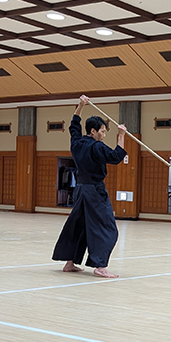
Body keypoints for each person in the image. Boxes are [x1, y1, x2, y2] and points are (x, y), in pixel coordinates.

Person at [52, 95, 127, 278]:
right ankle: (100, 266)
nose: (104, 134)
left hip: (80, 190)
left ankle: (70, 263)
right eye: (102, 131)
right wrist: (121, 135)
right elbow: (116, 156)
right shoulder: (96, 147)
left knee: (80, 225)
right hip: (95, 191)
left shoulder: (76, 143)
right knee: (107, 228)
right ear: (93, 131)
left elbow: (74, 124)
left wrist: (81, 105)